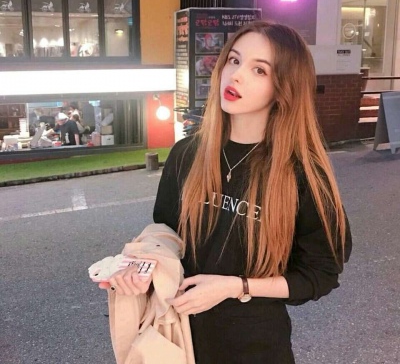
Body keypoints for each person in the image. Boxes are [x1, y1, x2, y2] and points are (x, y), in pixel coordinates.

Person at [101, 21, 352, 363]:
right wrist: (141, 270)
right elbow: (167, 233)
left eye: (259, 70)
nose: (236, 76)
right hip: (177, 339)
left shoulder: (302, 173)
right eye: (234, 60)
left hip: (255, 349)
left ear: (284, 88)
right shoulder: (187, 153)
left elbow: (320, 274)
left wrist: (237, 287)